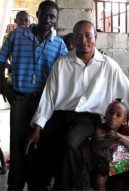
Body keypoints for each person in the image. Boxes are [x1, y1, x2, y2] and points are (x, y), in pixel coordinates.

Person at [25, 20, 129, 190]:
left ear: (95, 37)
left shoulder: (108, 66)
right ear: (73, 40)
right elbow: (48, 98)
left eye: (88, 35)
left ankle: (63, 187)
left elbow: (128, 91)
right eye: (78, 36)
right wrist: (37, 128)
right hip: (61, 114)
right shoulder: (61, 64)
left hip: (88, 117)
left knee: (70, 142)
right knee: (37, 146)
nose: (83, 40)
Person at [0, 1, 67, 190]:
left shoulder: (59, 44)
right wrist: (2, 84)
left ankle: (37, 185)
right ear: (37, 14)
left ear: (56, 19)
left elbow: (67, 67)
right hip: (20, 100)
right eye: (44, 14)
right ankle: (16, 185)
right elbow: (1, 58)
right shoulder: (17, 35)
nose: (47, 19)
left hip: (43, 103)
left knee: (39, 147)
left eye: (52, 16)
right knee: (18, 145)